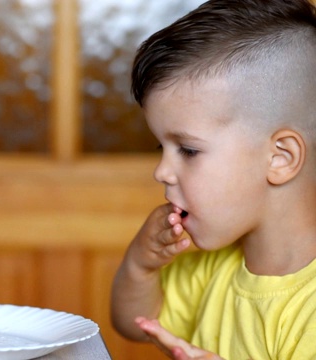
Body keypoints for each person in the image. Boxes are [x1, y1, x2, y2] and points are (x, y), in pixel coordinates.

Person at [110, 0, 316, 359]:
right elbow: (133, 322)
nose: (161, 171)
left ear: (280, 157)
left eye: (188, 150)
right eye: (162, 146)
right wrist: (141, 265)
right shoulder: (210, 262)